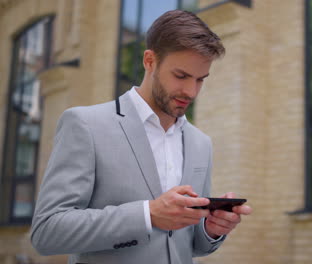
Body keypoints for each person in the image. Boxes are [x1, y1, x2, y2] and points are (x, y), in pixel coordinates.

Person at [30, 10, 252, 264]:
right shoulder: (85, 125)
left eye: (200, 80)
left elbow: (185, 244)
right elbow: (47, 232)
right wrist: (148, 215)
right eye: (180, 76)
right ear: (150, 61)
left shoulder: (201, 143)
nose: (190, 91)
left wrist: (212, 229)